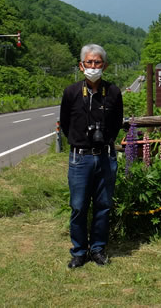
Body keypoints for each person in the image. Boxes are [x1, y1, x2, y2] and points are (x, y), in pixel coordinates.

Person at [59, 43, 124, 268]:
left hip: (105, 156)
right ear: (81, 65)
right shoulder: (71, 93)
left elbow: (117, 124)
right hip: (80, 158)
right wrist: (79, 142)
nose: (93, 66)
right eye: (89, 62)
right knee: (78, 206)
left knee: (103, 205)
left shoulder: (113, 92)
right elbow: (65, 125)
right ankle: (78, 251)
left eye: (97, 62)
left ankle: (97, 249)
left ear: (104, 65)